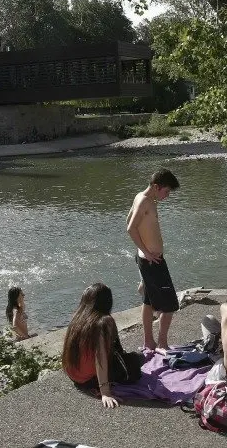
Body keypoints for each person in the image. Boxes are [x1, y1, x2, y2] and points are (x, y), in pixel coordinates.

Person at [63, 283, 143, 408]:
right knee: (137, 361)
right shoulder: (103, 322)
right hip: (89, 380)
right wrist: (105, 392)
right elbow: (100, 357)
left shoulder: (77, 317)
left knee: (127, 358)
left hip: (74, 376)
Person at [126, 168, 180, 352]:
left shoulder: (143, 198)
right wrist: (146, 252)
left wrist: (143, 253)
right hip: (153, 262)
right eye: (166, 191)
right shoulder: (144, 201)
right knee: (170, 304)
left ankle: (149, 342)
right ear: (156, 187)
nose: (167, 196)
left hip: (148, 261)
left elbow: (128, 221)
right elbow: (130, 228)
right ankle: (162, 344)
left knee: (148, 302)